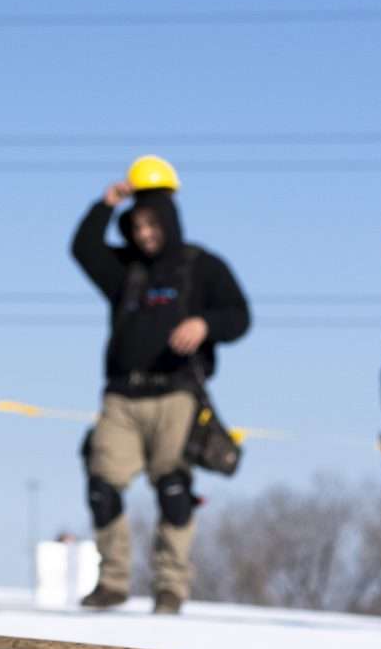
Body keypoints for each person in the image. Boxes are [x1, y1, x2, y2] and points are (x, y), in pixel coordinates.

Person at [69, 155, 251, 614]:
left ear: (169, 221)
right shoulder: (125, 270)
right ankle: (112, 582)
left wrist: (205, 324)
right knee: (102, 484)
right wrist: (106, 204)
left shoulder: (202, 266)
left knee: (173, 487)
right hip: (122, 395)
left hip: (176, 394)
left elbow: (240, 315)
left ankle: (170, 587)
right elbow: (83, 248)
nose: (145, 234)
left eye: (153, 225)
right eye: (138, 226)